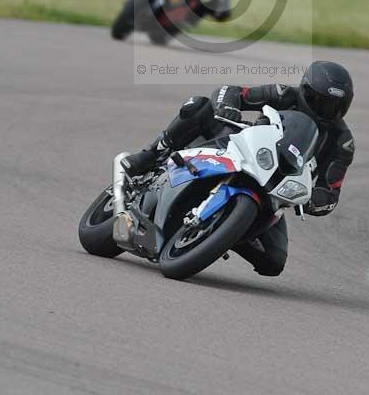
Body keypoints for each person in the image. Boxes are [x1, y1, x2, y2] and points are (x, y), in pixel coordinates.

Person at [122, 61, 355, 277]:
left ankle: (226, 231)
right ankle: (151, 155)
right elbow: (231, 91)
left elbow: (331, 189)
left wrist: (315, 200)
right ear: (304, 91)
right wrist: (227, 107)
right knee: (200, 105)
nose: (326, 110)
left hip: (273, 189)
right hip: (242, 150)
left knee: (273, 262)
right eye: (320, 102)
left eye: (336, 107)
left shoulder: (342, 143)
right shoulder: (284, 94)